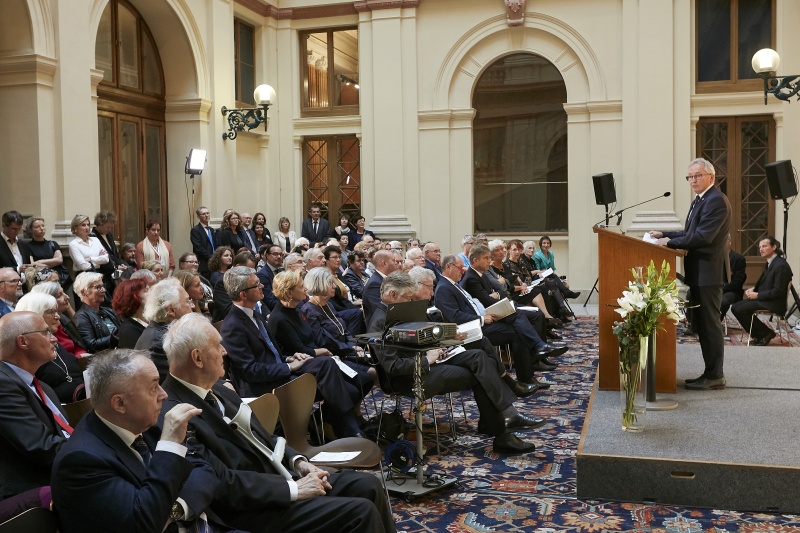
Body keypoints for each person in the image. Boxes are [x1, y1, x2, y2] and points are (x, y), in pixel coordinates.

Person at [161, 313, 396, 533]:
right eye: (217, 345)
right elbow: (219, 482)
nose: (225, 351)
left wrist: (299, 462)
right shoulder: (175, 415)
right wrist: (293, 489)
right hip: (249, 507)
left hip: (279, 478)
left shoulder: (219, 389)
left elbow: (264, 437)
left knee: (369, 486)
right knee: (360, 512)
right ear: (198, 358)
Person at [51, 348, 225, 533]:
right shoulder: (80, 461)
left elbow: (205, 470)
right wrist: (169, 445)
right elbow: (145, 524)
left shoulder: (143, 422)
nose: (164, 394)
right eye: (153, 387)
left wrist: (175, 509)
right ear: (120, 403)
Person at [368, 272, 541, 453]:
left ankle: (500, 421)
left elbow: (419, 337)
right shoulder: (380, 322)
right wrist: (427, 359)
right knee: (481, 374)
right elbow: (393, 367)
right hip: (412, 378)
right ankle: (503, 427)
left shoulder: (396, 311)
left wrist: (447, 339)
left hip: (428, 362)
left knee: (478, 356)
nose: (411, 302)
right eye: (407, 298)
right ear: (392, 295)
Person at [221, 267, 365, 438]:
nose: (262, 286)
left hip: (278, 373)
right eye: (256, 284)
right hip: (264, 386)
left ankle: (341, 427)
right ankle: (347, 428)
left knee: (332, 369)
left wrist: (290, 358)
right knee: (332, 372)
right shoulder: (232, 326)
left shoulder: (256, 315)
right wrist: (289, 367)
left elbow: (272, 353)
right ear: (243, 294)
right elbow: (250, 371)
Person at [650, 157, 732, 390]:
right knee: (702, 325)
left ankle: (715, 375)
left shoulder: (715, 201)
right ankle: (710, 373)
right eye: (690, 177)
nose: (693, 180)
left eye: (698, 176)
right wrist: (664, 234)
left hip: (709, 273)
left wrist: (669, 243)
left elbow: (703, 236)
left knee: (709, 325)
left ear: (711, 177)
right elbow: (690, 232)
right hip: (700, 272)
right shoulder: (702, 200)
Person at [0, 311, 69, 502]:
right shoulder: (2, 384)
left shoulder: (41, 386)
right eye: (46, 332)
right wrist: (93, 448)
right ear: (23, 342)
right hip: (32, 487)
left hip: (59, 469)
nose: (54, 338)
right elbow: (40, 448)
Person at [300, 267, 375, 385]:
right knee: (371, 374)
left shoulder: (328, 304)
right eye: (330, 283)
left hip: (345, 351)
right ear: (320, 284)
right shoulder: (309, 311)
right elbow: (324, 341)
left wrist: (353, 345)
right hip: (333, 356)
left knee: (377, 362)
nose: (334, 286)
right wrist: (350, 348)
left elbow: (343, 329)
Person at [16, 292, 86, 403]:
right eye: (51, 312)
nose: (58, 316)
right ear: (35, 314)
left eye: (56, 311)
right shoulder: (28, 352)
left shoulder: (54, 341)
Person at [731, 237, 792, 346]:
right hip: (766, 299)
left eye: (764, 246)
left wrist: (758, 295)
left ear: (774, 247)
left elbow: (779, 291)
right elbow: (766, 283)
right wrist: (754, 289)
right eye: (760, 247)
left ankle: (765, 333)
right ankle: (761, 335)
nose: (761, 249)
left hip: (774, 302)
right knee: (735, 307)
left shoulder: (781, 266)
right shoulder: (771, 263)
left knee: (739, 309)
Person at [134, 278, 194, 382]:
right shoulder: (158, 344)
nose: (192, 306)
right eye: (187, 301)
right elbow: (184, 381)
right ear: (171, 310)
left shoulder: (162, 333)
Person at [32, 281, 88, 358]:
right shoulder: (41, 330)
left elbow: (78, 345)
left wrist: (81, 354)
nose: (67, 297)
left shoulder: (63, 319)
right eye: (59, 295)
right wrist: (76, 358)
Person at [73, 272, 121, 352]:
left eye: (103, 286)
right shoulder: (81, 317)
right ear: (84, 292)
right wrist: (112, 339)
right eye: (98, 287)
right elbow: (91, 345)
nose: (104, 290)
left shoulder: (108, 310)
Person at [23, 217, 71, 290]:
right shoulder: (27, 246)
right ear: (30, 230)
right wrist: (53, 262)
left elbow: (59, 260)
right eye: (37, 227)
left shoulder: (53, 244)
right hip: (41, 281)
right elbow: (33, 265)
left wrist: (39, 261)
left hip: (58, 279)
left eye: (43, 226)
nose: (42, 228)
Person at [91, 210, 125, 295]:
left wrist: (120, 264)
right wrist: (115, 267)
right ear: (100, 224)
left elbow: (114, 253)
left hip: (114, 273)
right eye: (107, 227)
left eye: (111, 227)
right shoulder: (92, 236)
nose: (109, 229)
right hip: (104, 274)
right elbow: (100, 256)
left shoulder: (109, 235)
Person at [362, 249, 399, 322]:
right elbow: (381, 310)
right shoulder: (374, 284)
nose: (396, 263)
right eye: (393, 260)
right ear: (384, 263)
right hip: (381, 325)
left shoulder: (386, 279)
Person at [112, 278, 151, 349]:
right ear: (134, 297)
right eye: (146, 291)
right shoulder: (128, 330)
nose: (152, 293)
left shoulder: (152, 319)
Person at [720, 235, 747, 320]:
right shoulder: (712, 257)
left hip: (731, 291)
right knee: (691, 293)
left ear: (729, 242)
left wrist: (720, 289)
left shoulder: (738, 259)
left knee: (722, 301)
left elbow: (737, 282)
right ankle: (692, 323)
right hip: (712, 289)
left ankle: (714, 324)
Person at [189, 206, 217, 278]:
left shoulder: (211, 230)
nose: (206, 215)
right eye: (204, 214)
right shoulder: (195, 230)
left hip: (213, 263)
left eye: (207, 213)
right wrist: (211, 257)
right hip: (203, 263)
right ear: (198, 216)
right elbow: (198, 247)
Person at [256, 244, 284, 312]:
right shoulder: (262, 274)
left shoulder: (282, 271)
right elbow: (270, 301)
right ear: (267, 256)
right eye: (275, 254)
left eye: (281, 254)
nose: (279, 257)